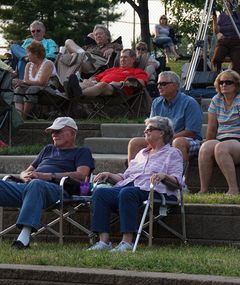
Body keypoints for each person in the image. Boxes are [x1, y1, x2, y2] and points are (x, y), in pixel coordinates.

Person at [87, 116, 183, 252]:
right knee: (101, 193)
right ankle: (104, 241)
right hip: (130, 187)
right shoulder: (141, 154)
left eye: (150, 129)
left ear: (162, 132)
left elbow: (178, 181)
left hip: (155, 191)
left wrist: (163, 176)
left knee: (128, 193)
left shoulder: (173, 153)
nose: (146, 132)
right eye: (145, 130)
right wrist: (109, 174)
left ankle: (127, 242)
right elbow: (126, 176)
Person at [0, 117, 94, 249]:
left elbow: (81, 175)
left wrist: (46, 176)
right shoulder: (48, 149)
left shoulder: (82, 152)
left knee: (36, 184)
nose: (54, 134)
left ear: (73, 133)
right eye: (52, 132)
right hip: (29, 188)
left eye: (59, 131)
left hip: (57, 191)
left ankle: (24, 238)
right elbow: (26, 171)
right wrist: (24, 175)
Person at [198, 70, 240, 195]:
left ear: (236, 85)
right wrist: (207, 145)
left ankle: (233, 189)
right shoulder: (216, 100)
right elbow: (211, 128)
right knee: (205, 147)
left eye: (228, 82)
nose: (224, 85)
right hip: (222, 140)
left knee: (221, 147)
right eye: (221, 82)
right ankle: (203, 190)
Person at [127, 71, 203, 166]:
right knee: (134, 143)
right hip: (161, 139)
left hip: (187, 140)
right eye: (158, 84)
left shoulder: (190, 103)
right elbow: (150, 127)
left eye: (163, 84)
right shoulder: (156, 103)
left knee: (178, 142)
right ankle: (132, 176)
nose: (159, 86)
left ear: (174, 86)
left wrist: (164, 140)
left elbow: (191, 132)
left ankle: (178, 178)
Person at [65, 48, 148, 98]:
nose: (122, 59)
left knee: (102, 85)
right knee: (87, 82)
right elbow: (95, 78)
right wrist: (90, 81)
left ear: (133, 59)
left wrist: (121, 83)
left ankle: (77, 94)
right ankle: (69, 90)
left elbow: (140, 83)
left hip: (118, 90)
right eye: (121, 57)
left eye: (125, 57)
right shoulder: (112, 69)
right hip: (97, 86)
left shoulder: (138, 71)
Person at [58, 24, 123, 83]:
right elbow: (72, 48)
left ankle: (68, 81)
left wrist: (113, 50)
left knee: (79, 56)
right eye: (96, 35)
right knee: (68, 43)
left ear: (107, 36)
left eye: (100, 34)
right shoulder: (90, 47)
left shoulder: (113, 45)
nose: (98, 36)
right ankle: (65, 82)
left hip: (98, 63)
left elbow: (121, 51)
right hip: (84, 59)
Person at [12, 41, 57, 119]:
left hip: (49, 91)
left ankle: (24, 117)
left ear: (35, 54)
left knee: (32, 88)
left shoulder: (48, 64)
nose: (26, 55)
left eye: (28, 53)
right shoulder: (29, 65)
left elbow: (42, 82)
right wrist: (18, 82)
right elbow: (26, 81)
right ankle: (18, 117)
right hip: (36, 91)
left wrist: (23, 81)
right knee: (19, 89)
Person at [211, 1, 240, 75]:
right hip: (224, 42)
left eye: (229, 1)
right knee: (216, 60)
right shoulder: (221, 16)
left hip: (236, 43)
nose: (227, 2)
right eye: (226, 1)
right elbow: (216, 30)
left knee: (237, 65)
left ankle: (235, 81)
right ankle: (218, 77)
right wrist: (215, 22)